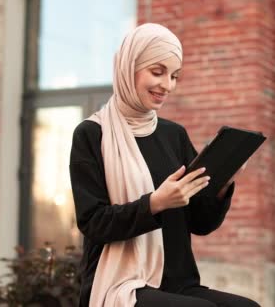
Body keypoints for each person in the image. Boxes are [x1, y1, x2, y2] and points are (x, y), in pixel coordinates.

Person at [69, 23, 260, 307]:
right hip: (122, 282)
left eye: (174, 76)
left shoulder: (174, 135)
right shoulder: (91, 134)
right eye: (157, 72)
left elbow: (200, 223)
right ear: (128, 67)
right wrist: (155, 203)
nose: (167, 85)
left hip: (178, 282)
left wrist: (222, 185)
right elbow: (94, 223)